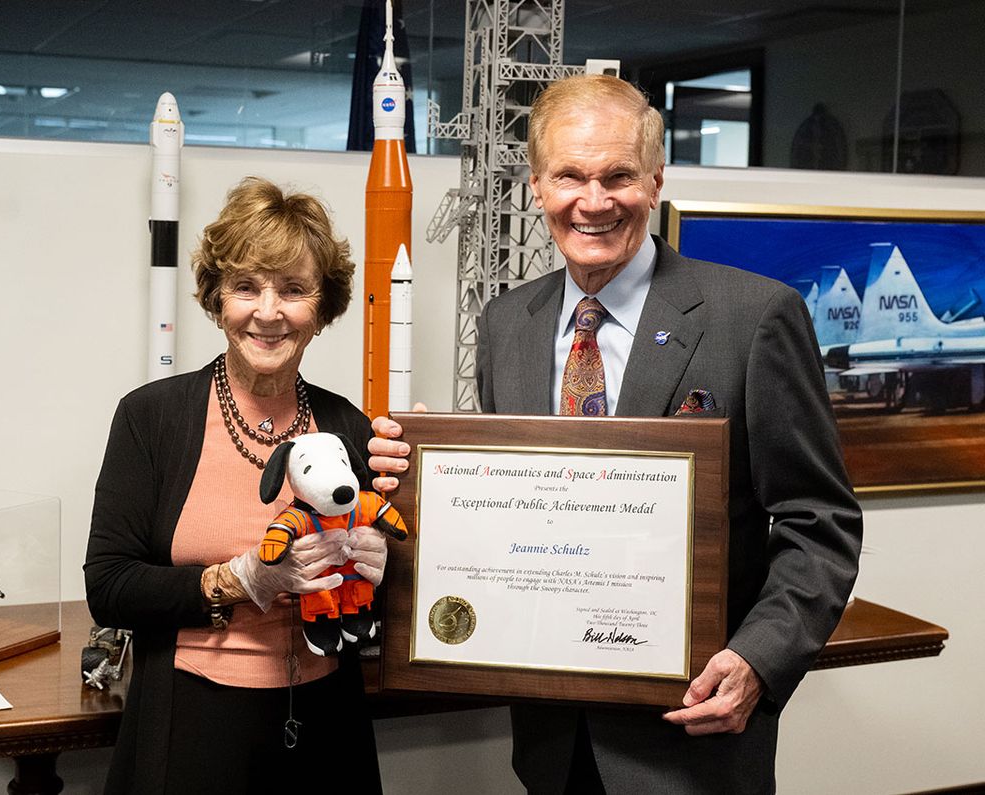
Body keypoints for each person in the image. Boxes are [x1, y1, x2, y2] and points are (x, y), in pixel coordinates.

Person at [369, 74, 862, 794]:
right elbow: (508, 507)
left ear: (656, 180)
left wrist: (757, 659)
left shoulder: (755, 317)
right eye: (570, 175)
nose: (593, 201)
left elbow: (821, 524)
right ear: (538, 186)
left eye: (618, 176)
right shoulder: (508, 325)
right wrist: (412, 480)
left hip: (689, 745)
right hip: (550, 746)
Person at [85, 177, 387, 794]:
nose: (268, 312)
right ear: (218, 299)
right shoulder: (152, 419)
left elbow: (380, 601)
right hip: (194, 720)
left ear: (322, 309)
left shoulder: (350, 427)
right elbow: (109, 586)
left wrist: (386, 568)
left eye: (294, 290)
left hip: (327, 720)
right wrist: (240, 580)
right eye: (246, 287)